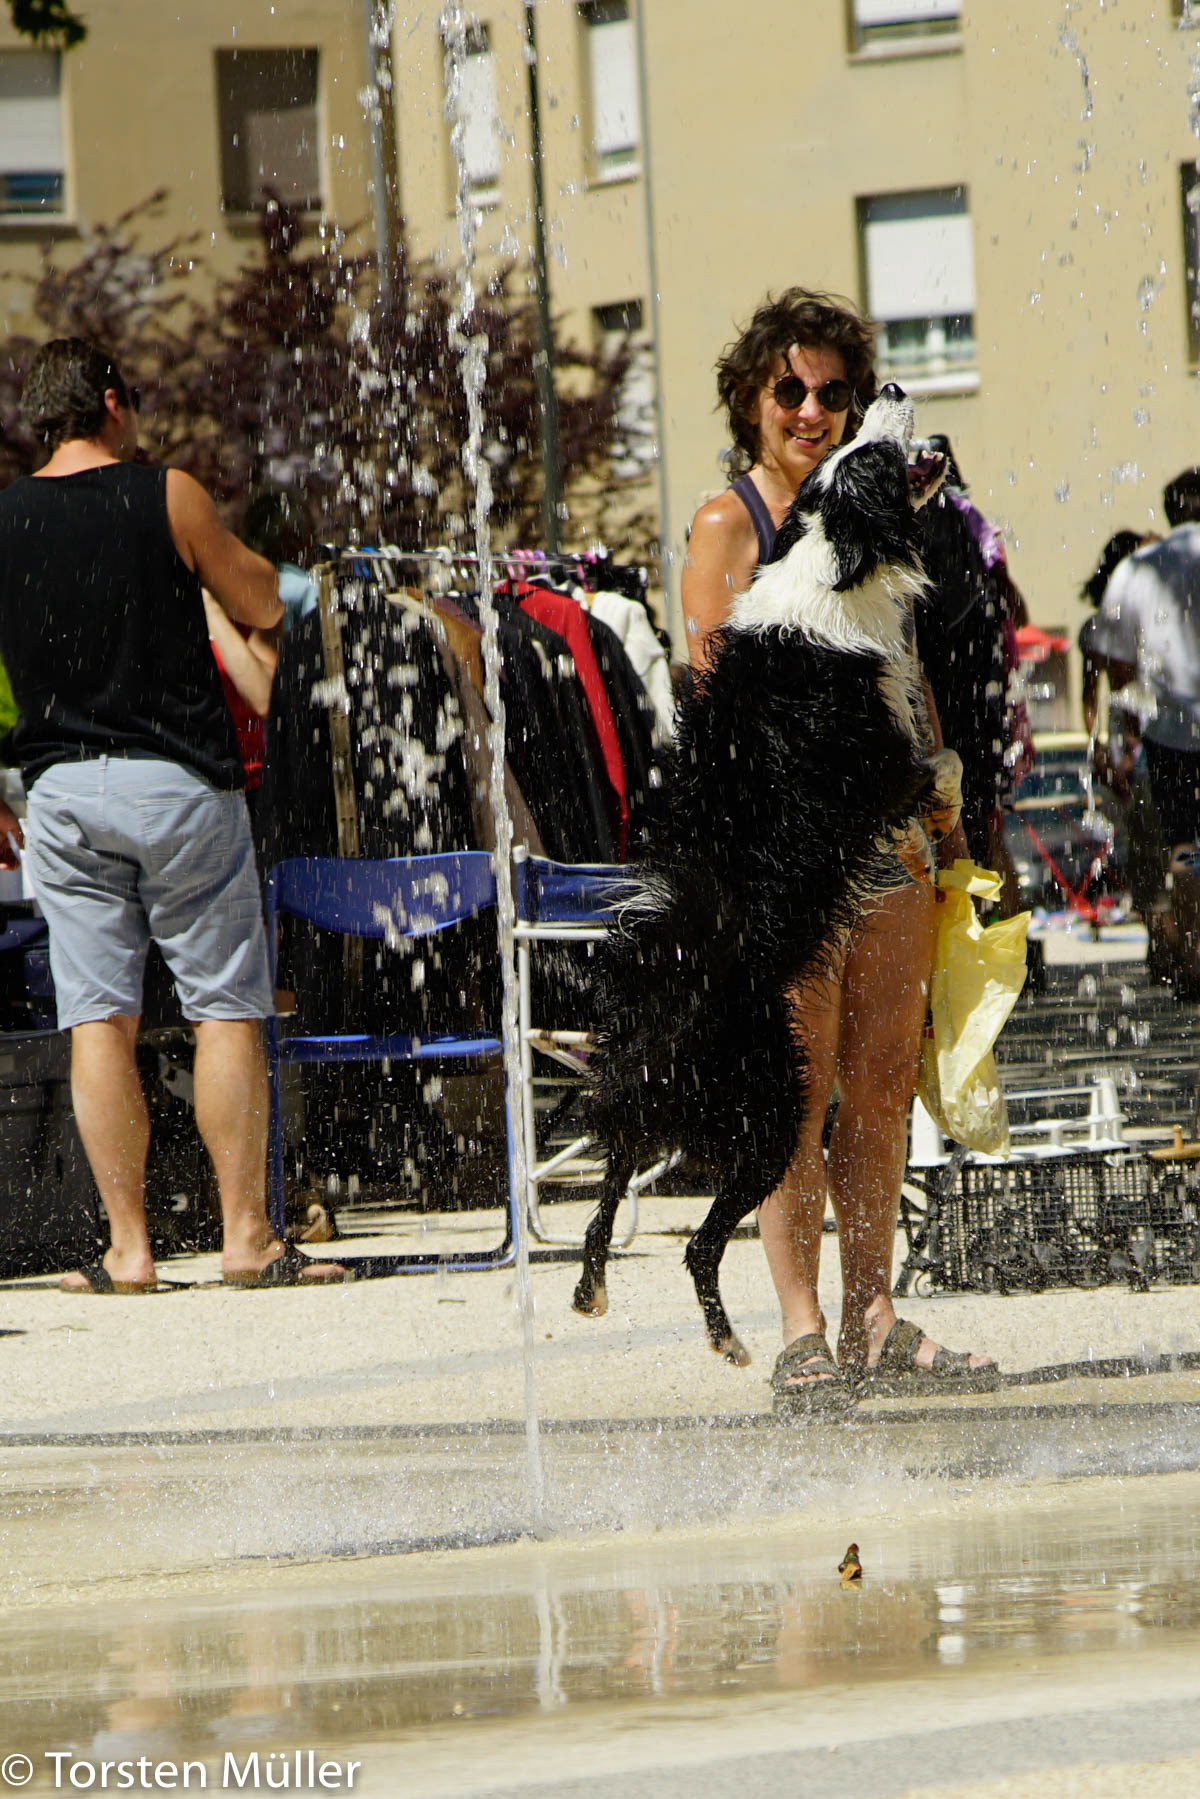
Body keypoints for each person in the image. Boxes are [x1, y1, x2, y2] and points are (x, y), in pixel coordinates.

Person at [681, 288, 997, 1407]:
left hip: (892, 833)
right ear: (751, 400)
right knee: (796, 1084)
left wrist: (948, 812)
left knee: (879, 1081)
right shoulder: (730, 525)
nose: (810, 410)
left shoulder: (874, 503)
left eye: (832, 392)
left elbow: (905, 669)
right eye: (789, 390)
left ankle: (874, 1313)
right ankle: (802, 1329)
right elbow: (715, 697)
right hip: (789, 848)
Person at [0, 337, 343, 1290]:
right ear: (113, 402)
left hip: (62, 791)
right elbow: (262, 601)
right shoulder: (167, 494)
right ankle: (246, 1238)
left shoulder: (5, 517)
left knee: (97, 1021)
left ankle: (129, 1248)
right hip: (178, 782)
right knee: (224, 1010)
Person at [1087, 473, 1200, 993]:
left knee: (1185, 847)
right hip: (1169, 729)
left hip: (1171, 731)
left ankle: (1194, 960)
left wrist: (1129, 733)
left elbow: (1117, 665)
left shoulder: (1138, 568)